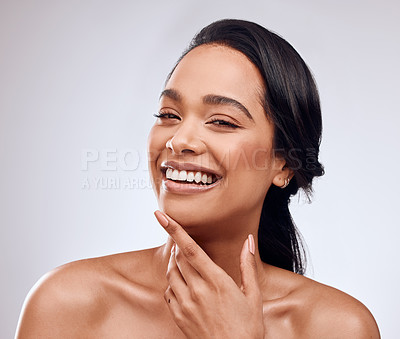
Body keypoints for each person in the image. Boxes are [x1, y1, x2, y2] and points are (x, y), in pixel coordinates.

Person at [16, 19, 380, 338]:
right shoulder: (66, 304)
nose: (179, 141)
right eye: (168, 114)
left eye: (221, 121)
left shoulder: (337, 327)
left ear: (283, 165)